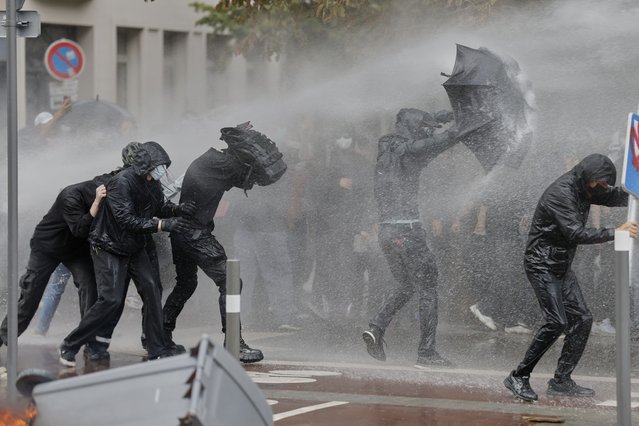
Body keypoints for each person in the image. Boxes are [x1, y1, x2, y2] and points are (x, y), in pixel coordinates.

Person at [504, 153, 637, 401]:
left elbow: (612, 195)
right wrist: (614, 231)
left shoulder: (585, 185)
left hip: (561, 265)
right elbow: (575, 232)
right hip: (541, 264)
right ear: (589, 177)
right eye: (600, 183)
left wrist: (633, 193)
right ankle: (518, 375)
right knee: (556, 321)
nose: (602, 188)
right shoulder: (561, 193)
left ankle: (561, 380)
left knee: (583, 319)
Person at [58, 141, 191, 367]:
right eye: (158, 165)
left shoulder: (152, 183)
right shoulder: (122, 182)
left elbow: (159, 207)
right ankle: (70, 345)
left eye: (163, 165)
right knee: (110, 299)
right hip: (108, 246)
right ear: (145, 165)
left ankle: (157, 348)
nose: (162, 170)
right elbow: (126, 220)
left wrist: (179, 209)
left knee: (152, 290)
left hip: (134, 246)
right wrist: (162, 225)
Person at [163, 123, 286, 364]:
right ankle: (233, 343)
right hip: (194, 233)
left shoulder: (214, 160)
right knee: (230, 281)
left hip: (183, 231)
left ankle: (158, 333)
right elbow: (259, 177)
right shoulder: (222, 164)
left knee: (186, 284)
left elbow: (250, 177)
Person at [362, 108, 457, 367]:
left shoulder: (388, 147)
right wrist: (460, 129)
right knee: (428, 286)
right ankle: (426, 352)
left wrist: (439, 117)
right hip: (408, 232)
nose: (428, 131)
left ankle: (377, 327)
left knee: (406, 285)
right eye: (424, 127)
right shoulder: (412, 153)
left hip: (387, 232)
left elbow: (415, 132)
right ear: (416, 129)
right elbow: (435, 143)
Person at [0, 172, 111, 346]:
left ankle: (88, 340)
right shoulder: (70, 196)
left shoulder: (105, 198)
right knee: (32, 293)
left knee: (89, 286)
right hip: (46, 247)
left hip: (74, 250)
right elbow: (80, 229)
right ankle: (4, 336)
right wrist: (96, 203)